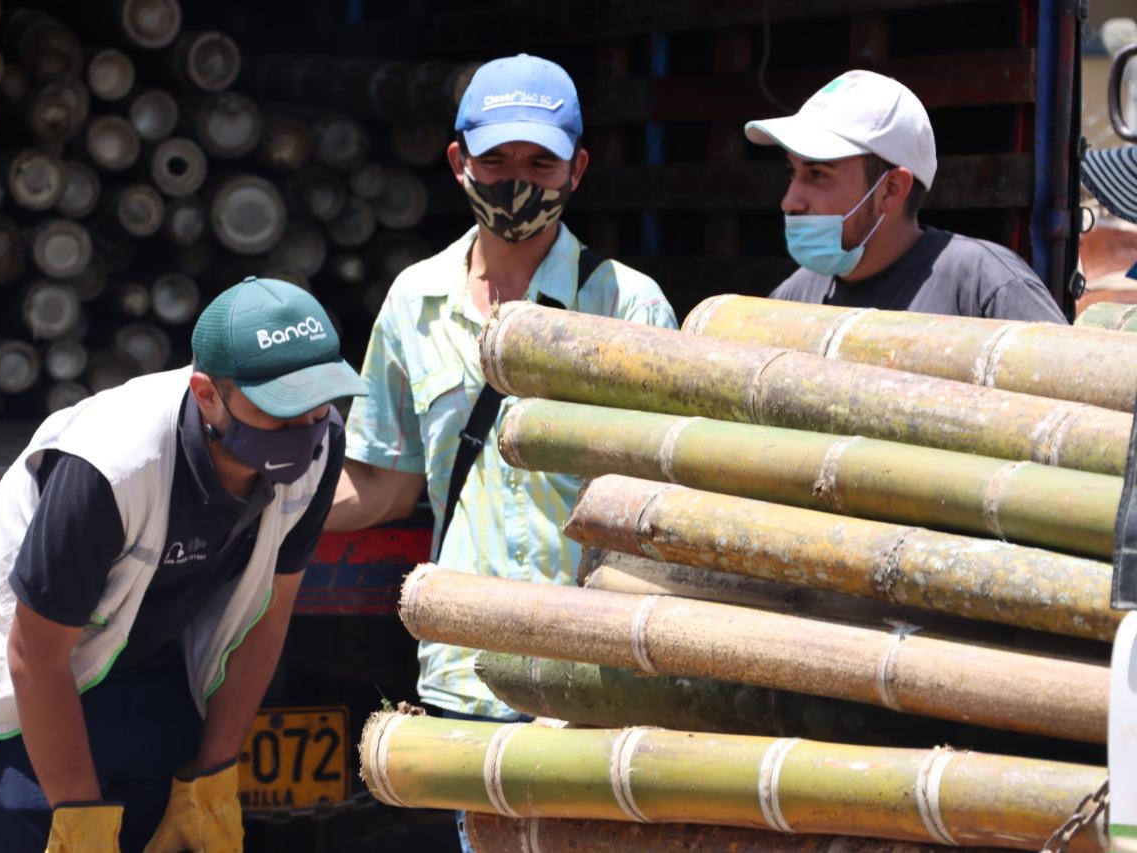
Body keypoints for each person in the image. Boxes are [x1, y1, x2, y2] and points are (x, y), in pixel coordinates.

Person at [323, 53, 677, 850]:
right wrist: (262, 507)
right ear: (459, 162)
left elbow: (667, 502)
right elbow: (384, 482)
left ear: (577, 169)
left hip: (592, 675)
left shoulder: (628, 305)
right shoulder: (415, 301)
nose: (517, 181)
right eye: (497, 161)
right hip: (464, 674)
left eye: (540, 163)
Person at [0, 277, 366, 853]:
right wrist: (80, 822)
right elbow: (34, 655)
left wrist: (211, 777)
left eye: (317, 405)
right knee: (33, 820)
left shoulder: (320, 446)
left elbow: (268, 616)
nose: (303, 430)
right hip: (12, 689)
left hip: (139, 667)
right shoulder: (111, 467)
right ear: (207, 395)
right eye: (279, 411)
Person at [745, 69, 1068, 322]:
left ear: (891, 190)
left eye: (818, 174)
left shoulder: (984, 288)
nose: (790, 201)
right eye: (793, 173)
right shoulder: (795, 297)